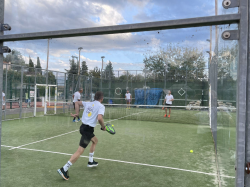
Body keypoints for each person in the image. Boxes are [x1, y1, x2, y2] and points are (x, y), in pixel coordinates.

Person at [57, 91, 106, 180]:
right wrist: (103, 127)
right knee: (80, 151)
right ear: (102, 99)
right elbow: (99, 118)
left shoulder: (89, 103)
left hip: (83, 128)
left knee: (95, 141)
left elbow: (77, 103)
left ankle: (91, 161)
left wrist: (77, 113)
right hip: (87, 130)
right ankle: (64, 169)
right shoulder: (101, 106)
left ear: (95, 97)